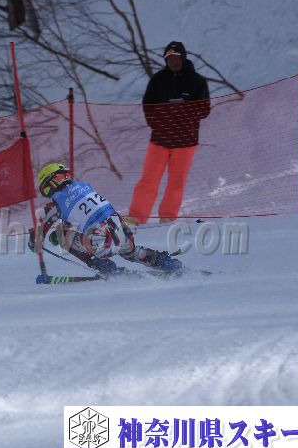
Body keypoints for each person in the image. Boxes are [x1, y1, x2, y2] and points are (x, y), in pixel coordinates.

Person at [30, 162, 182, 276]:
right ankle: (164, 262)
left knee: (62, 236)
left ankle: (107, 269)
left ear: (51, 184)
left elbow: (40, 233)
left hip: (100, 241)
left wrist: (36, 241)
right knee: (130, 251)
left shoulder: (56, 203)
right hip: (122, 231)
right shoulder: (85, 186)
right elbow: (81, 214)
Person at [128, 41, 210, 224]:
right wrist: (156, 123)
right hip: (159, 140)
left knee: (176, 182)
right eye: (169, 58)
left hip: (186, 142)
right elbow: (147, 106)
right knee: (148, 180)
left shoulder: (197, 81)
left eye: (176, 57)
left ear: (183, 57)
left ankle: (168, 216)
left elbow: (205, 110)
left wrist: (184, 110)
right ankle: (136, 216)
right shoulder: (157, 80)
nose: (173, 61)